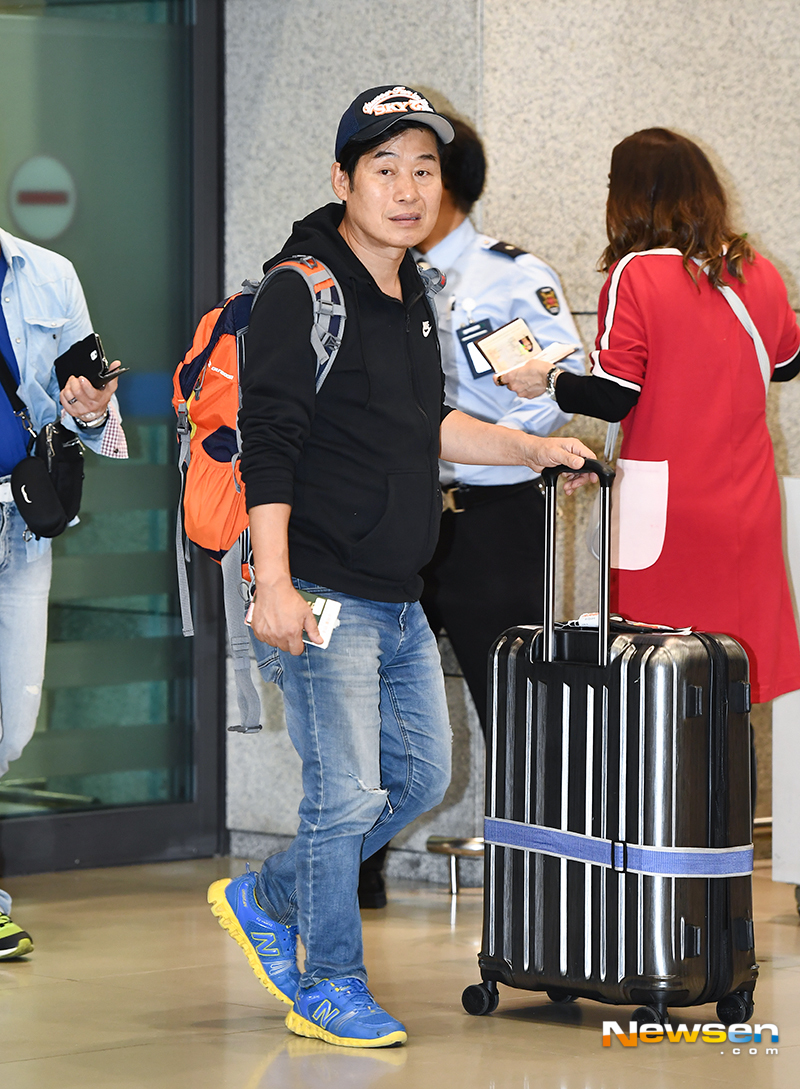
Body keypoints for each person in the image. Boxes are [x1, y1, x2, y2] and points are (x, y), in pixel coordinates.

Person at [206, 84, 596, 1050]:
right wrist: (276, 580)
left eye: (424, 168)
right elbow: (272, 440)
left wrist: (529, 449)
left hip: (397, 587)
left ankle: (271, 893)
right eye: (385, 168)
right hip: (322, 587)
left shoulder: (414, 289)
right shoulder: (304, 288)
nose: (409, 187)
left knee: (419, 776)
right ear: (343, 180)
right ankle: (327, 980)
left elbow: (428, 426)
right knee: (342, 794)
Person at [500, 127, 800, 704]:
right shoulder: (755, 271)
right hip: (748, 508)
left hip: (669, 518)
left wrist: (548, 379)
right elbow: (787, 363)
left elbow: (615, 395)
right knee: (729, 689)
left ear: (631, 195)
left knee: (655, 686)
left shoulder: (636, 272)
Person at [413, 116, 586, 736]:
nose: (400, 190)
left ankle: (525, 838)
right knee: (371, 718)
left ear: (447, 182)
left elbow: (560, 381)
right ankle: (358, 840)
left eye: (417, 170)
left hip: (491, 522)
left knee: (517, 716)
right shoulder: (377, 276)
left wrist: (491, 450)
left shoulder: (508, 275)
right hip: (397, 521)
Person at [0, 225, 127, 958]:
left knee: (11, 722)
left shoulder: (47, 274)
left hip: (21, 519)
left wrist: (88, 407)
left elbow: (96, 412)